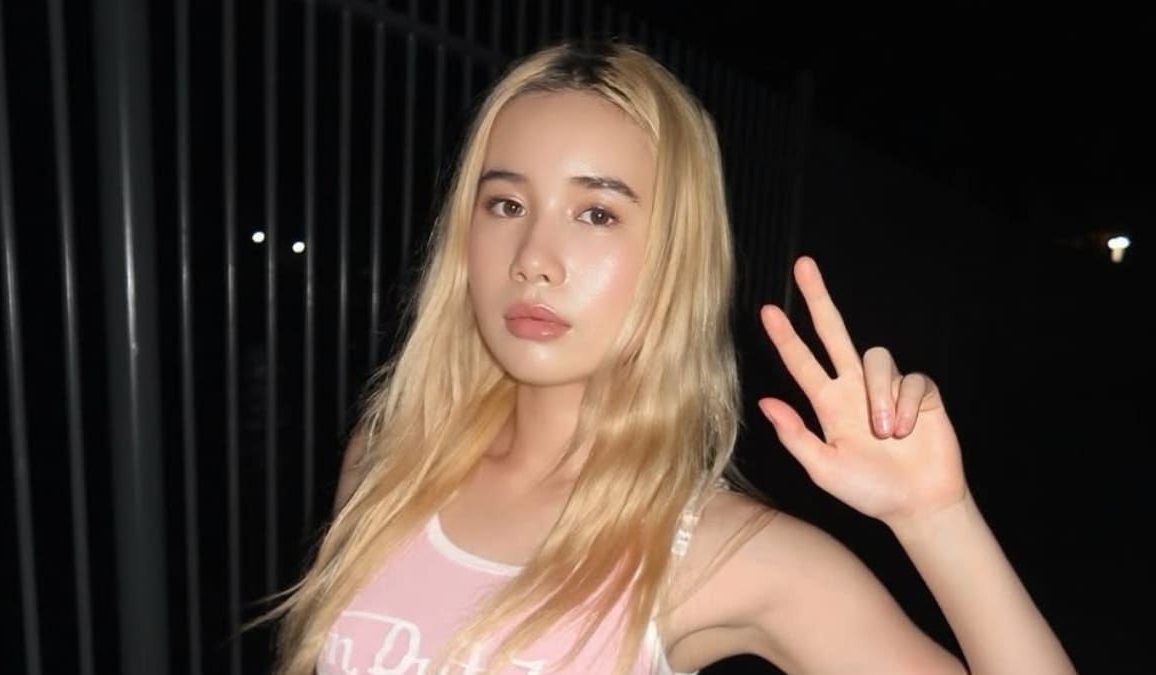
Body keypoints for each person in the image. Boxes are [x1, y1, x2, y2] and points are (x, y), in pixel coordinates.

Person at [263, 41, 1076, 674]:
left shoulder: (718, 550)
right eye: (505, 203)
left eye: (596, 213)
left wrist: (937, 518)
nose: (533, 257)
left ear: (672, 255)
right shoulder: (388, 462)